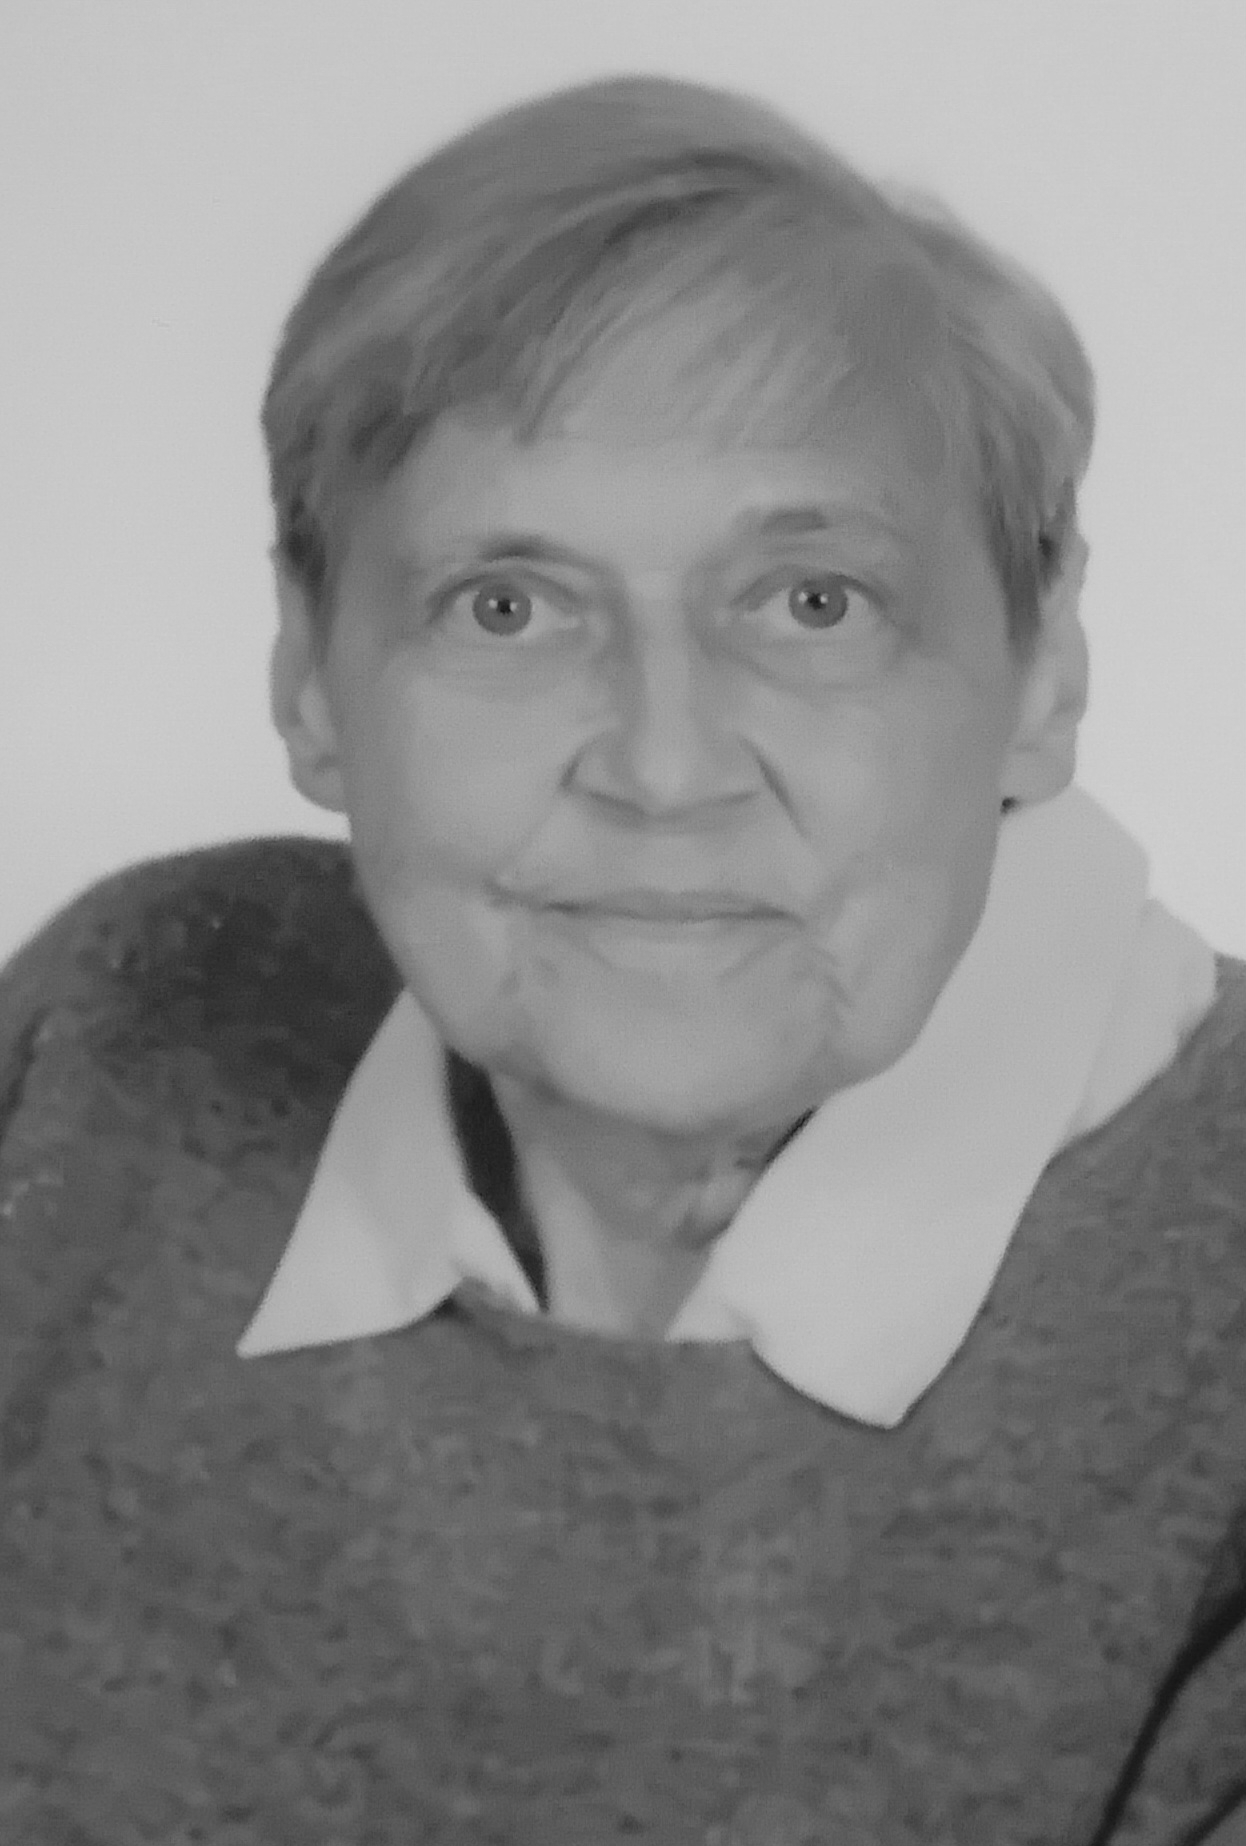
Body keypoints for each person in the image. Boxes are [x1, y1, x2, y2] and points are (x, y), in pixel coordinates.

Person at [2, 70, 1244, 1846]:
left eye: (810, 601)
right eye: (507, 605)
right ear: (309, 678)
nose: (664, 769)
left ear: (1039, 666)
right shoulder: (122, 1034)